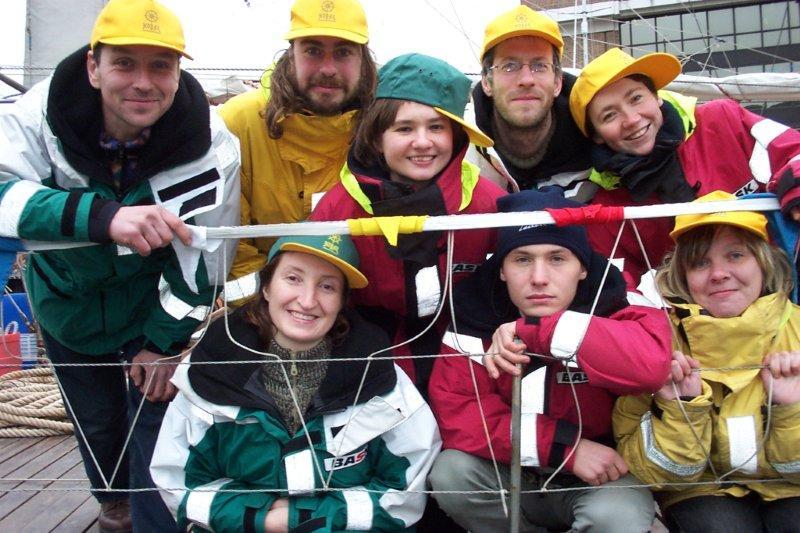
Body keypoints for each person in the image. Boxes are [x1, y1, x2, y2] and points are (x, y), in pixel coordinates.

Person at [0, 0, 240, 531]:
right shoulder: (34, 120)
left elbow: (206, 257)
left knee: (153, 416)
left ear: (179, 73)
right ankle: (113, 505)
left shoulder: (213, 145)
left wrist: (165, 341)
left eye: (161, 66)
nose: (143, 82)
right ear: (93, 66)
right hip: (66, 306)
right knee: (97, 423)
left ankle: (154, 514)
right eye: (124, 63)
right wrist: (104, 217)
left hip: (148, 305)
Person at [151, 234, 441, 532]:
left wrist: (302, 521)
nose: (307, 300)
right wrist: (261, 519)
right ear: (266, 287)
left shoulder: (378, 374)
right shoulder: (210, 369)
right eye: (293, 278)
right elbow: (179, 482)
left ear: (342, 302)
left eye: (327, 286)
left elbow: (405, 487)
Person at [428, 189, 672, 532]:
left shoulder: (620, 300)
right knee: (451, 472)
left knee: (616, 518)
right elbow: (462, 414)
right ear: (501, 270)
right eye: (522, 259)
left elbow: (650, 367)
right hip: (514, 472)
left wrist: (538, 330)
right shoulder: (473, 313)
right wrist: (564, 449)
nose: (539, 277)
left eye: (557, 258)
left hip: (602, 476)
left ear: (583, 268)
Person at [310, 53, 505, 394]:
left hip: (464, 353)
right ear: (375, 137)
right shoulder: (338, 208)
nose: (423, 142)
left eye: (436, 127)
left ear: (456, 137)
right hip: (368, 358)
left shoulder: (485, 203)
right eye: (404, 128)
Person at [614, 190, 800, 532]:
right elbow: (644, 472)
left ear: (764, 261)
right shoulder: (656, 341)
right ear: (682, 275)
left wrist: (791, 409)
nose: (718, 273)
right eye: (700, 262)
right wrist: (680, 410)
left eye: (735, 255)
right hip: (700, 492)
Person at [569, 47, 800, 283]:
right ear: (596, 135)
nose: (632, 119)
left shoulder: (723, 121)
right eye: (609, 115)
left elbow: (792, 150)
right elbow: (618, 287)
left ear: (657, 96)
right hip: (697, 315)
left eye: (636, 98)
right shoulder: (607, 207)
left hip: (787, 287)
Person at [220, 0, 378, 302]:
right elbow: (232, 245)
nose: (328, 68)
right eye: (313, 50)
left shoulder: (383, 130)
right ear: (291, 54)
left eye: (344, 52)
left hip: (361, 305)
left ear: (363, 60)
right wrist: (268, 310)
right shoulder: (238, 123)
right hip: (261, 303)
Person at [467, 5, 593, 199]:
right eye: (509, 66)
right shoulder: (460, 150)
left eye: (539, 66)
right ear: (486, 82)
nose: (526, 79)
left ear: (558, 82)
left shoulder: (598, 138)